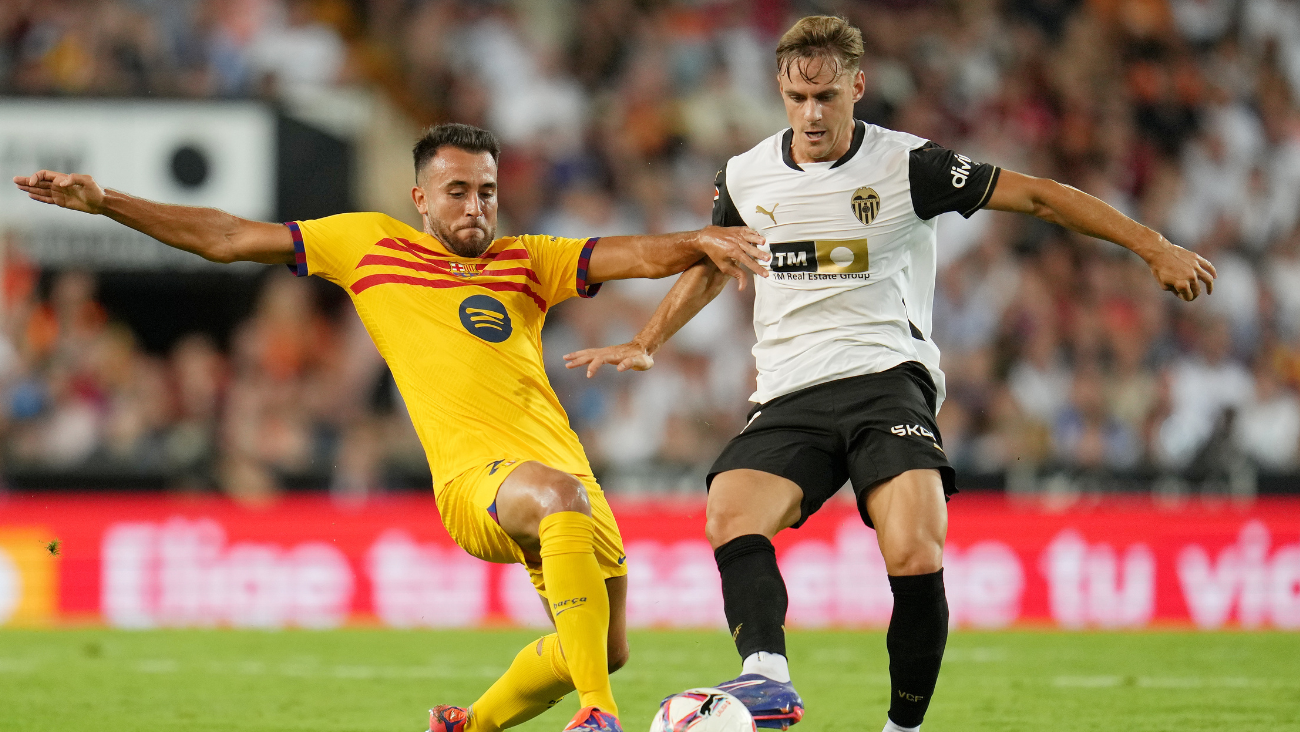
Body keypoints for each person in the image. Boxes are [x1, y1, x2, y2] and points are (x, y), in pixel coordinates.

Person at [564, 16, 1216, 732]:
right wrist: (647, 339)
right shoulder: (746, 174)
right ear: (781, 92)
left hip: (886, 379)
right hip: (788, 390)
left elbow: (1037, 195)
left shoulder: (909, 166)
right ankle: (767, 679)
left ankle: (902, 727)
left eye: (826, 97)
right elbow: (717, 262)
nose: (811, 114)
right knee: (729, 510)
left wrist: (1152, 246)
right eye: (797, 98)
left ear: (858, 87)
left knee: (913, 548)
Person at [13, 122, 768, 732]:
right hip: (475, 483)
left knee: (604, 646)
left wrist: (698, 241)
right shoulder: (369, 244)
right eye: (457, 192)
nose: (475, 207)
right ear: (420, 199)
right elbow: (228, 237)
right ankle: (597, 717)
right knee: (564, 529)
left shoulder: (528, 260)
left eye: (487, 192)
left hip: (564, 476)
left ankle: (469, 724)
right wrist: (107, 202)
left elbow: (633, 255)